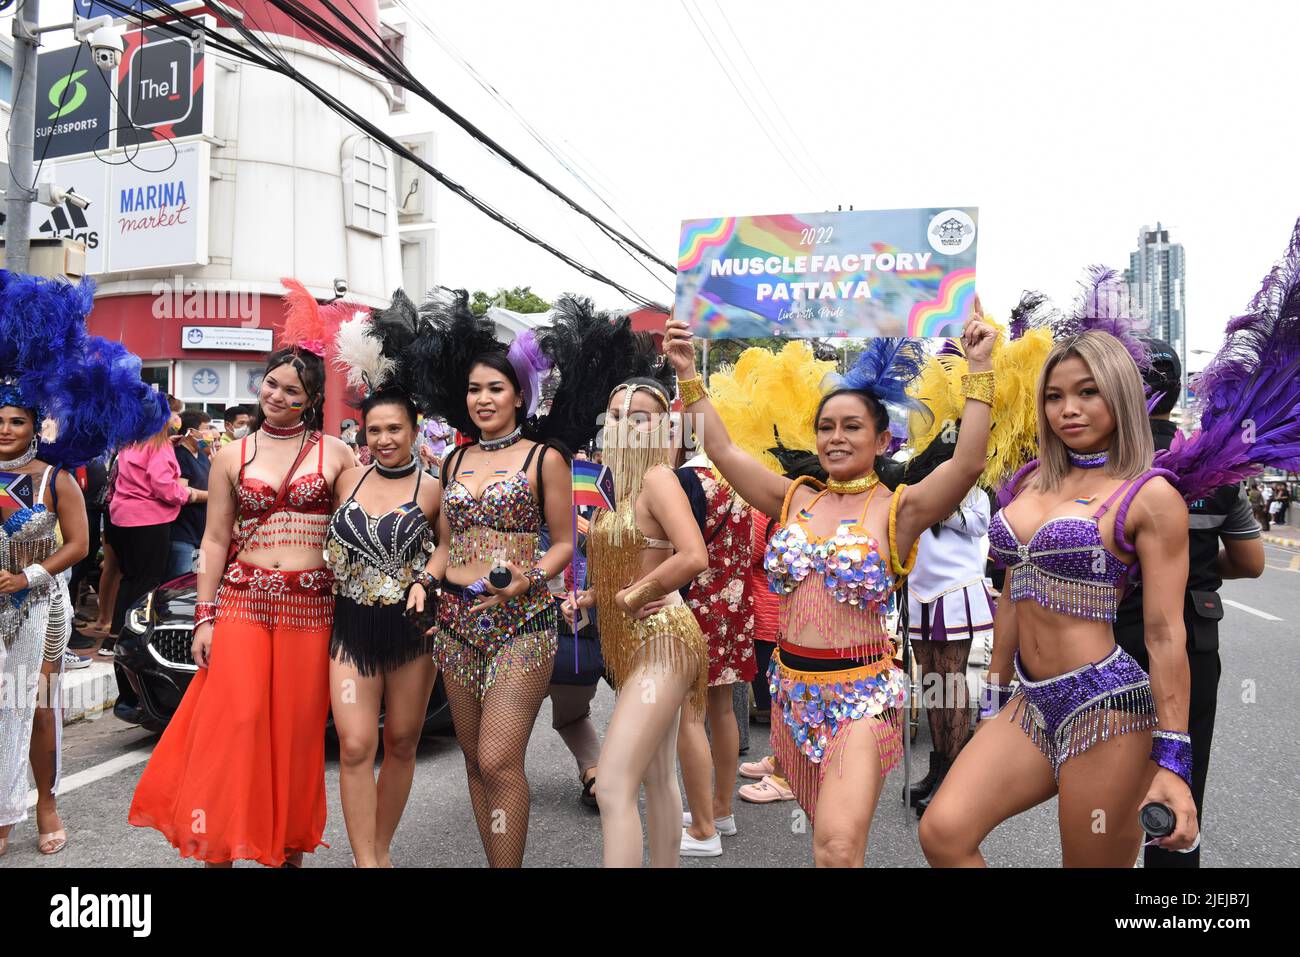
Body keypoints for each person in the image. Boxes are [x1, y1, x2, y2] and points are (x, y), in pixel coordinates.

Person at [665, 308, 999, 867]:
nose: (836, 437)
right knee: (829, 844)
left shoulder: (900, 509)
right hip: (792, 697)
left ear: (881, 438)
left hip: (861, 698)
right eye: (827, 426)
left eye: (851, 426)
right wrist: (686, 375)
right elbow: (722, 450)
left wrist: (980, 368)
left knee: (837, 849)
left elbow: (966, 464)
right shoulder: (796, 497)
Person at [921, 328, 1200, 866]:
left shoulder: (1151, 495)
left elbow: (1166, 634)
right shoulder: (1030, 482)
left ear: (1119, 395)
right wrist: (993, 699)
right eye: (1055, 396)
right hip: (1028, 701)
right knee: (944, 832)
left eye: (1088, 392)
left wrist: (1174, 760)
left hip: (1107, 707)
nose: (1068, 409)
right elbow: (1010, 596)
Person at [130, 279, 356, 867]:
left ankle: (285, 850)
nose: (278, 396)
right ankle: (219, 847)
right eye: (273, 384)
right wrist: (204, 617)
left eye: (294, 391)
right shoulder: (231, 454)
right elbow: (214, 538)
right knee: (236, 723)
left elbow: (359, 531)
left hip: (311, 608)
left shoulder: (337, 454)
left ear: (311, 400)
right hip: (245, 603)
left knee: (298, 733)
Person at [405, 291, 576, 868]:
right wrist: (426, 581)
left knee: (501, 758)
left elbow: (564, 544)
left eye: (495, 388)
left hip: (522, 624)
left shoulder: (543, 458)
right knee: (475, 760)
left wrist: (528, 581)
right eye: (475, 389)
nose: (482, 399)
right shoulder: (452, 462)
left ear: (519, 395)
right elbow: (448, 543)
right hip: (456, 624)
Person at [1, 272, 164, 858]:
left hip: (38, 610)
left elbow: (81, 547)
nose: (5, 431)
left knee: (36, 705)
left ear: (34, 426)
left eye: (16, 421)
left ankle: (43, 803)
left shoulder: (55, 478)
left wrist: (28, 577)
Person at [1112, 338, 1264, 868]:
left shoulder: (1103, 461)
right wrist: (1193, 575)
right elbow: (1250, 562)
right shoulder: (1217, 465)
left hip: (1109, 643)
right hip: (1194, 642)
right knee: (1178, 779)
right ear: (1176, 390)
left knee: (1101, 787)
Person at [326, 305, 441, 867]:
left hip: (412, 628)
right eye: (374, 430)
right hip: (350, 625)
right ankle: (365, 860)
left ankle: (380, 846)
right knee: (354, 744)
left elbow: (447, 547)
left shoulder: (434, 487)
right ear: (361, 433)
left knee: (400, 740)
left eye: (395, 428)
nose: (385, 438)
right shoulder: (346, 475)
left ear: (416, 430)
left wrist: (428, 577)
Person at [579, 376, 709, 867]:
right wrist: (591, 596)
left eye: (639, 420)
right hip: (629, 642)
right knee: (657, 775)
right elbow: (634, 559)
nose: (625, 427)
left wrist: (637, 594)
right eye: (616, 418)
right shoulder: (617, 483)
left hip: (662, 639)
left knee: (612, 784)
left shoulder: (658, 477)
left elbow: (693, 554)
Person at [903, 433, 995, 817]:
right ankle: (937, 767)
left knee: (952, 684)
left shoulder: (974, 490)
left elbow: (979, 526)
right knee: (931, 685)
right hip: (919, 590)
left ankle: (953, 779)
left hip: (956, 591)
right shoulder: (911, 481)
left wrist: (943, 504)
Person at [676, 452, 756, 857]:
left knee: (689, 716)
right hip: (735, 606)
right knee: (722, 711)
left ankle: (705, 827)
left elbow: (680, 552)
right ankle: (721, 809)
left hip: (695, 605)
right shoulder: (743, 476)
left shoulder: (687, 478)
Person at [104, 396, 195, 655]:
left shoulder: (130, 442)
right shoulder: (158, 446)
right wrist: (187, 495)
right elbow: (164, 486)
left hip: (121, 518)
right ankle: (131, 640)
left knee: (131, 578)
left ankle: (114, 637)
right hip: (149, 520)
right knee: (147, 582)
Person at [166, 410, 215, 580]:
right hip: (182, 535)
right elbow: (183, 493)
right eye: (205, 428)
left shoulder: (201, 455)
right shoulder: (179, 455)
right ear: (191, 431)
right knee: (180, 586)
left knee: (197, 583)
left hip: (201, 536)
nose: (209, 433)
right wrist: (213, 496)